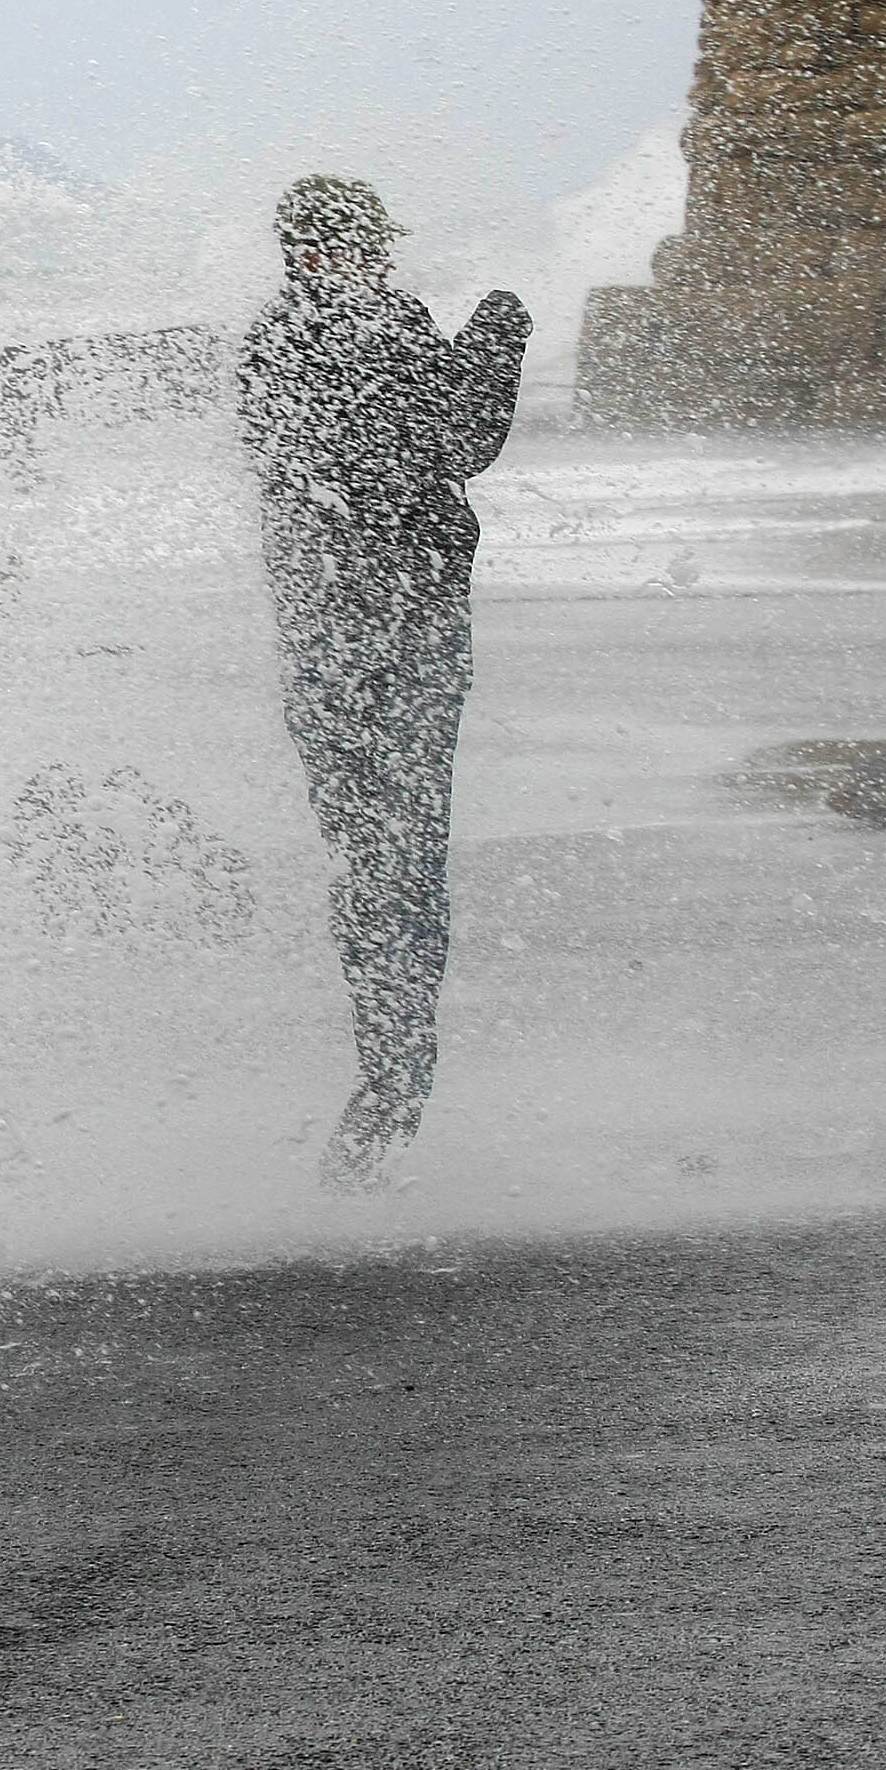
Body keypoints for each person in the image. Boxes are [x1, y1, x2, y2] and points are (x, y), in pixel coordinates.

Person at [237, 176, 528, 1190]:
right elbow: (454, 446)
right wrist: (501, 339)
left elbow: (345, 467)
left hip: (322, 647)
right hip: (400, 640)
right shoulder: (375, 325)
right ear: (330, 251)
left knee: (371, 860)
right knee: (403, 860)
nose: (382, 263)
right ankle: (393, 1087)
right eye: (369, 247)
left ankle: (388, 1080)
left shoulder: (270, 340)